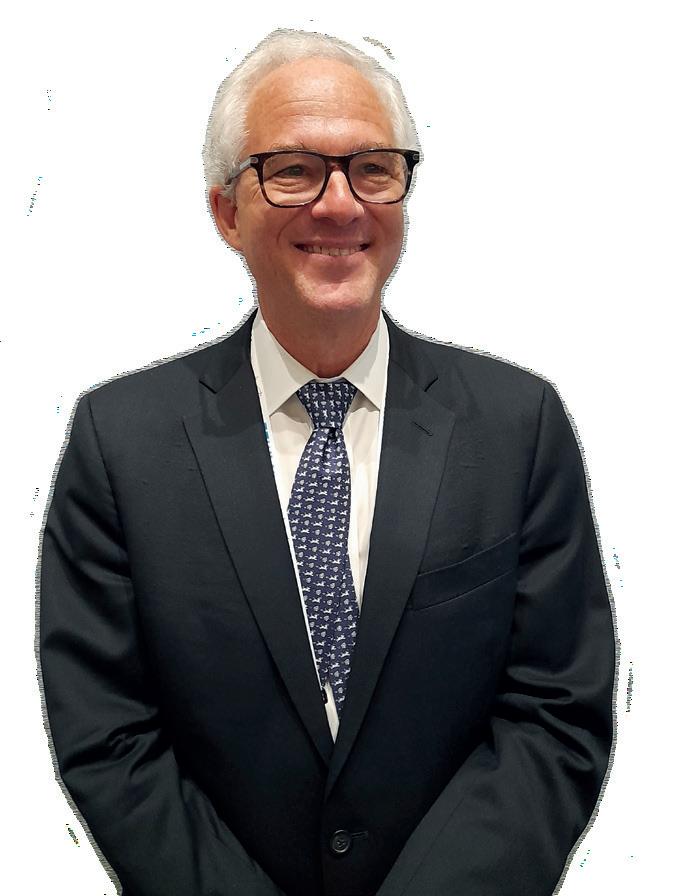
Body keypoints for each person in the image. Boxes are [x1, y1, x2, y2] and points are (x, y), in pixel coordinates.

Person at [38, 27, 616, 896]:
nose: (339, 205)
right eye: (292, 170)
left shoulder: (515, 427)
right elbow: (108, 735)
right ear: (226, 212)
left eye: (372, 169)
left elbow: (555, 713)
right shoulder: (120, 443)